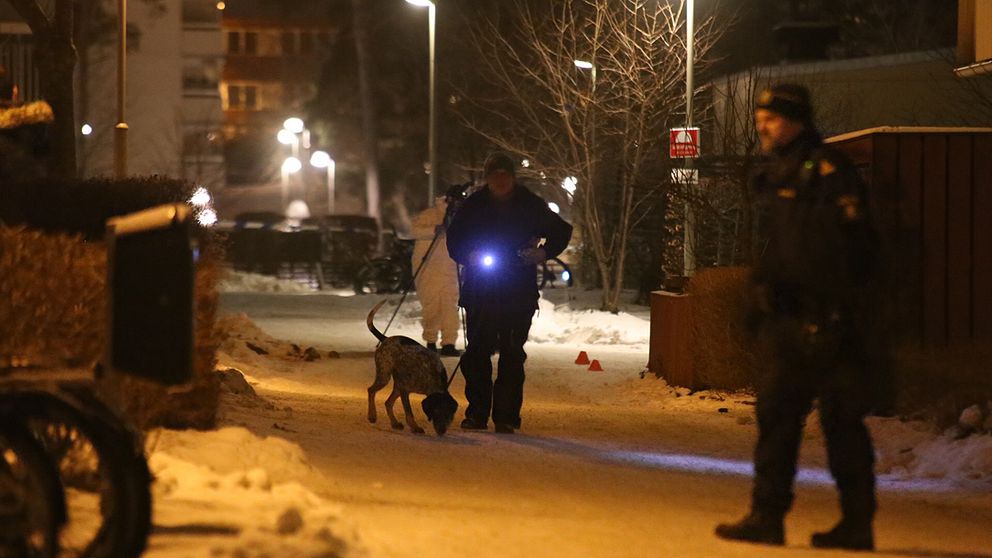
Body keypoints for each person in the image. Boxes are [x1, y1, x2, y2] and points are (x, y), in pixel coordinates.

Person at [715, 84, 886, 551]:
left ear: (795, 120)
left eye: (770, 118)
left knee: (840, 422)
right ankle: (766, 516)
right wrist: (759, 297)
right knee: (776, 415)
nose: (762, 126)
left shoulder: (829, 171)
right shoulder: (779, 171)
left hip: (830, 320)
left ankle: (857, 523)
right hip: (788, 319)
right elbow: (781, 249)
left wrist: (838, 309)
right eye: (760, 118)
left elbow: (853, 249)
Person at [446, 152, 572, 434]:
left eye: (504, 176)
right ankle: (477, 413)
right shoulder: (475, 206)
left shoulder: (529, 204)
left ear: (512, 177)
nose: (500, 181)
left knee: (512, 354)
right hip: (481, 289)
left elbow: (561, 230)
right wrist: (470, 254)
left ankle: (506, 416)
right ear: (488, 179)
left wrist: (542, 252)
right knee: (478, 352)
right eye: (495, 176)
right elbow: (454, 239)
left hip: (518, 289)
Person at [409, 184, 467, 357]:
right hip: (428, 268)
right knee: (431, 305)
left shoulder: (460, 218)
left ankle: (449, 343)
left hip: (450, 267)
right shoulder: (429, 214)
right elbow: (414, 230)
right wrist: (434, 230)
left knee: (450, 306)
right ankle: (430, 341)